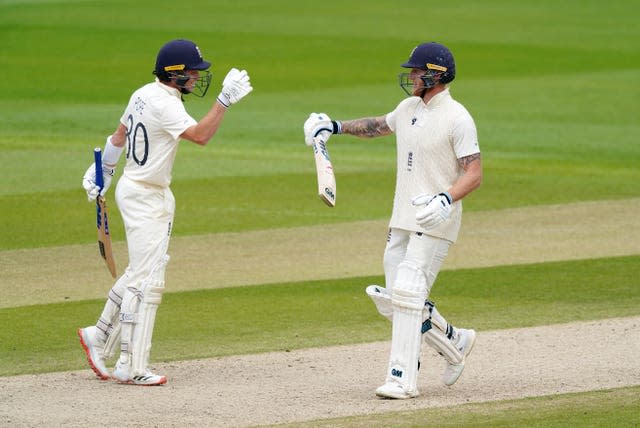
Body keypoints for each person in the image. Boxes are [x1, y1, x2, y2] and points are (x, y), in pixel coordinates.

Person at [303, 42, 482, 399]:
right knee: (395, 301)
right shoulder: (408, 108)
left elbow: (474, 173)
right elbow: (376, 126)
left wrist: (446, 198)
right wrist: (333, 126)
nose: (411, 76)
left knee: (408, 294)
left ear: (435, 75)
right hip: (401, 216)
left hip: (436, 219)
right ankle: (453, 341)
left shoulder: (458, 117)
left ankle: (402, 377)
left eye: (417, 72)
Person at [78, 39, 253, 386]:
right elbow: (200, 136)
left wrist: (103, 173)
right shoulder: (166, 106)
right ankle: (132, 365)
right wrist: (224, 101)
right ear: (175, 75)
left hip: (141, 190)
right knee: (147, 282)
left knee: (140, 272)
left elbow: (118, 137)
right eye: (191, 73)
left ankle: (98, 336)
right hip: (147, 198)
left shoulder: (142, 93)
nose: (196, 79)